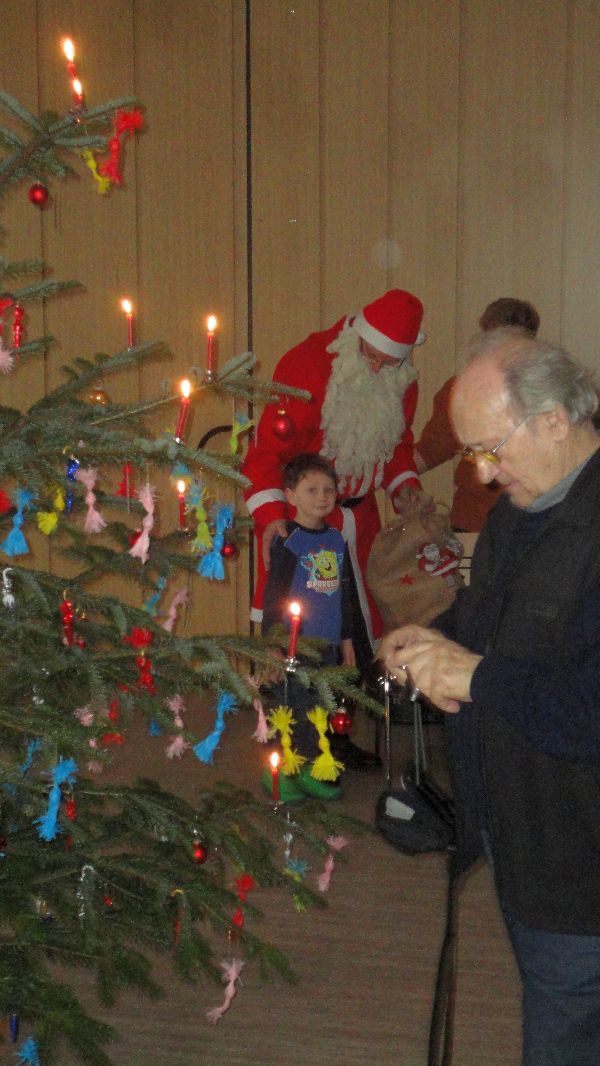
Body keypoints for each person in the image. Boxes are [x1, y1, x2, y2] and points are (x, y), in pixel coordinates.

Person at [381, 327, 600, 1065]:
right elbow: (487, 627)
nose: (479, 474)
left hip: (581, 871)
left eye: (489, 448)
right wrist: (429, 640)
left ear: (554, 420)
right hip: (525, 841)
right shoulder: (513, 517)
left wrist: (474, 676)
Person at [243, 287, 425, 665]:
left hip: (362, 526)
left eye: (388, 362)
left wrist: (406, 490)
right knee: (301, 633)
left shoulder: (401, 381)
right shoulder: (307, 365)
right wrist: (272, 516)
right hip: (304, 525)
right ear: (356, 335)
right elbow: (266, 453)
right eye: (370, 355)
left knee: (362, 635)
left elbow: (396, 446)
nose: (376, 368)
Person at [261, 453, 356, 801]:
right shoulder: (289, 541)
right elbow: (274, 595)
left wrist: (347, 640)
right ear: (291, 495)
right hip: (294, 646)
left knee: (319, 711)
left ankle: (311, 768)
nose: (322, 497)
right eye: (312, 490)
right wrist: (272, 644)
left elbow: (344, 594)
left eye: (328, 490)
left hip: (327, 645)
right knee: (291, 709)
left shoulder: (336, 540)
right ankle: (281, 771)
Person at [413, 297, 540, 531]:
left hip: (531, 524)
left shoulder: (551, 390)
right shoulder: (462, 390)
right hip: (474, 523)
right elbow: (432, 448)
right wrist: (393, 477)